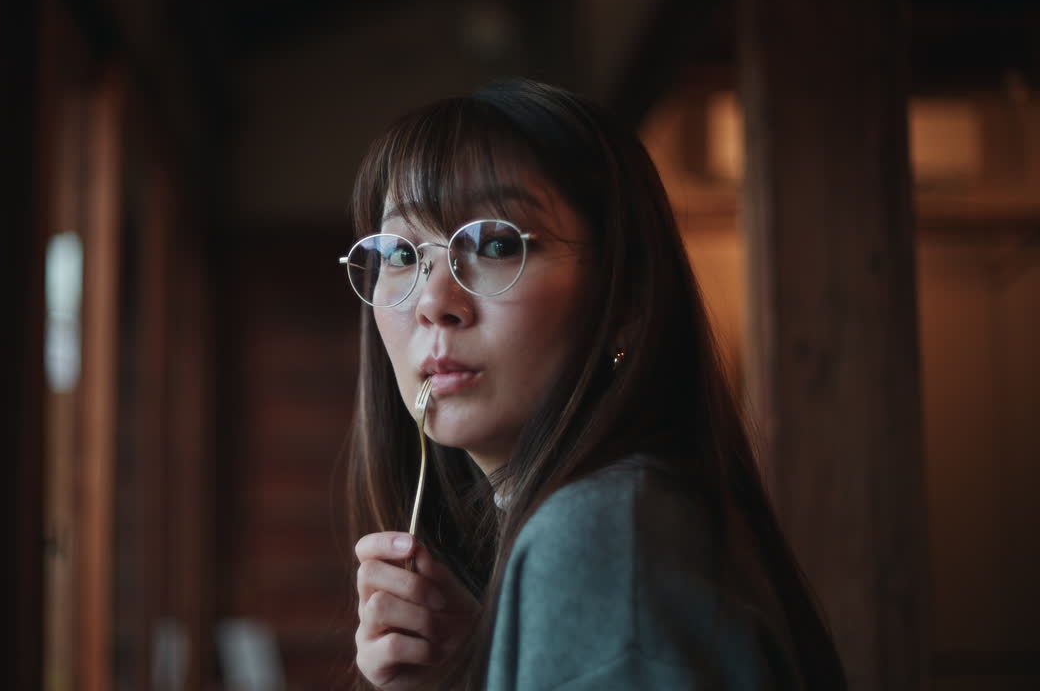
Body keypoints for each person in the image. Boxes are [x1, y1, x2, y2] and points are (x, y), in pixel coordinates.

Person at [343, 78, 845, 690]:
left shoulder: (603, 531)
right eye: (401, 255)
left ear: (624, 301)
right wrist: (475, 666)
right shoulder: (637, 521)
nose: (433, 302)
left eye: (496, 244)